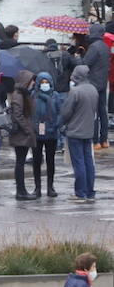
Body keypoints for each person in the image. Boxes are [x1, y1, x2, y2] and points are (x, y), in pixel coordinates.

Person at [61, 64, 98, 202]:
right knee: (89, 162)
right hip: (88, 131)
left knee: (79, 163)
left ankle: (80, 192)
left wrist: (63, 124)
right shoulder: (93, 90)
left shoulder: (75, 92)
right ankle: (90, 192)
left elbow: (66, 113)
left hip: (75, 132)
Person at [5, 70, 39, 200]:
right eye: (32, 80)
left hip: (22, 134)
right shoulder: (18, 95)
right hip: (21, 135)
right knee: (20, 163)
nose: (34, 83)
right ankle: (21, 191)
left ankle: (22, 190)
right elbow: (18, 115)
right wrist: (28, 130)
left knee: (20, 162)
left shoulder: (22, 94)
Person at [33, 71, 64, 197]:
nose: (44, 84)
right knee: (36, 161)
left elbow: (60, 112)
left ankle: (50, 187)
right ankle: (37, 188)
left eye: (46, 82)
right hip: (37, 133)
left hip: (51, 133)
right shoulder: (33, 95)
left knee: (50, 160)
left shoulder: (55, 96)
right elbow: (30, 113)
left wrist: (56, 125)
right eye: (42, 82)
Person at [80, 27, 110, 148]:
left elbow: (85, 63)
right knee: (103, 111)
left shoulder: (94, 47)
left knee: (93, 112)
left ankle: (95, 141)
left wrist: (81, 55)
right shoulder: (105, 47)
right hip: (103, 82)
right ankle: (104, 140)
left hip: (93, 83)